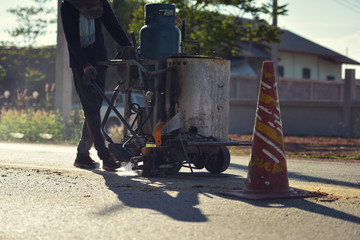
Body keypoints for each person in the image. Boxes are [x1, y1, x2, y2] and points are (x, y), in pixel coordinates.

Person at [61, 0, 133, 170]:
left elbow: (113, 27)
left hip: (100, 61)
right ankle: (105, 155)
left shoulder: (100, 3)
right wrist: (85, 64)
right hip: (81, 64)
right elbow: (72, 39)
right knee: (91, 108)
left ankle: (83, 154)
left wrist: (129, 48)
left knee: (94, 108)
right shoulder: (68, 5)